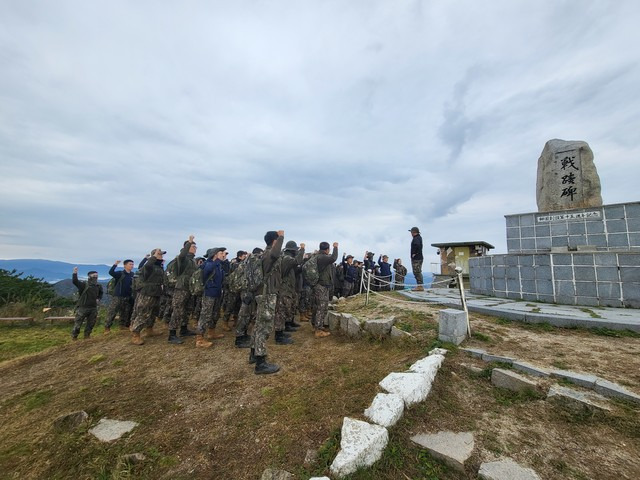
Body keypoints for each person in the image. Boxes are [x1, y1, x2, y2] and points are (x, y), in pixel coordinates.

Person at [250, 230, 284, 374]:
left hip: (262, 294)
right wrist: (282, 236)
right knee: (264, 327)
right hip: (266, 294)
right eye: (278, 241)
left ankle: (253, 353)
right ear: (274, 242)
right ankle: (260, 362)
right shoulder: (270, 254)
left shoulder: (264, 254)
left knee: (258, 325)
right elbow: (276, 254)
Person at [130, 248, 166, 345]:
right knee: (143, 313)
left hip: (156, 292)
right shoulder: (149, 266)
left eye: (161, 255)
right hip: (147, 293)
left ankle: (149, 330)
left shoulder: (159, 267)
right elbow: (148, 265)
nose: (161, 256)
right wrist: (153, 256)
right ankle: (135, 334)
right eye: (159, 254)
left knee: (153, 313)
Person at [168, 235, 198, 344]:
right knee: (178, 310)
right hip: (181, 288)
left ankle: (184, 329)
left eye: (195, 247)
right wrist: (189, 242)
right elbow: (181, 256)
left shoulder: (192, 261)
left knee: (187, 309)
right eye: (193, 247)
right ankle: (172, 334)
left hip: (189, 288)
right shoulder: (183, 259)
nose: (195, 249)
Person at [274, 241, 305, 343]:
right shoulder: (286, 258)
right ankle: (278, 336)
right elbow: (297, 261)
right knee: (281, 312)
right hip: (283, 290)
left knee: (283, 311)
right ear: (292, 251)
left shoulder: (286, 259)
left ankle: (282, 330)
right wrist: (302, 249)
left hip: (286, 289)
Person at [195, 248, 226, 348]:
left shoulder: (218, 265)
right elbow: (207, 271)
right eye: (221, 253)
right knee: (205, 315)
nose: (224, 255)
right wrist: (216, 260)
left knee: (215, 314)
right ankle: (199, 339)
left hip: (217, 293)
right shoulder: (208, 264)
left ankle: (211, 332)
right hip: (209, 293)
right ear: (215, 255)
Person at [234, 247, 262, 349]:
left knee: (247, 314)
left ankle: (243, 334)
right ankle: (239, 338)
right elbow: (256, 279)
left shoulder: (246, 263)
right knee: (244, 314)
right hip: (247, 292)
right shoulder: (250, 264)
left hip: (246, 291)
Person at [312, 241, 338, 337]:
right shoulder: (322, 257)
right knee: (321, 307)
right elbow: (333, 258)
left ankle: (316, 326)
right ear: (327, 250)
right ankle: (318, 330)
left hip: (319, 285)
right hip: (321, 286)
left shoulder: (318, 256)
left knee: (318, 306)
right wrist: (336, 247)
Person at [71, 268, 103, 340]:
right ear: (89, 276)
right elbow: (75, 281)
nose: (95, 277)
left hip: (93, 307)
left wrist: (98, 298)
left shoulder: (98, 285)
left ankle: (87, 336)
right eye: (94, 275)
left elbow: (101, 293)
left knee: (91, 324)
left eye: (96, 275)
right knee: (78, 324)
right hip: (83, 307)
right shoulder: (84, 284)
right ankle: (74, 337)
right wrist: (75, 273)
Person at [105, 259, 135, 332]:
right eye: (130, 264)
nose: (131, 266)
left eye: (132, 264)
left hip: (128, 296)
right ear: (125, 265)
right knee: (112, 311)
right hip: (118, 295)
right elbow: (111, 272)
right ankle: (107, 328)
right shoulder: (120, 273)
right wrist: (115, 264)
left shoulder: (132, 274)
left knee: (125, 311)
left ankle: (123, 326)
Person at [221, 250, 247, 331]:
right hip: (232, 289)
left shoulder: (242, 265)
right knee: (230, 306)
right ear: (239, 257)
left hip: (240, 289)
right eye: (244, 257)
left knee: (238, 306)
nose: (245, 258)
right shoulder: (235, 264)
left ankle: (236, 320)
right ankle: (225, 322)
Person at [409, 226, 424, 291]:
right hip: (419, 257)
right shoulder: (419, 237)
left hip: (417, 258)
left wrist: (414, 253)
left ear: (414, 232)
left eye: (411, 232)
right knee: (418, 271)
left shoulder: (416, 238)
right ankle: (420, 285)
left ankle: (420, 286)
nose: (411, 234)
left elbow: (417, 245)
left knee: (417, 272)